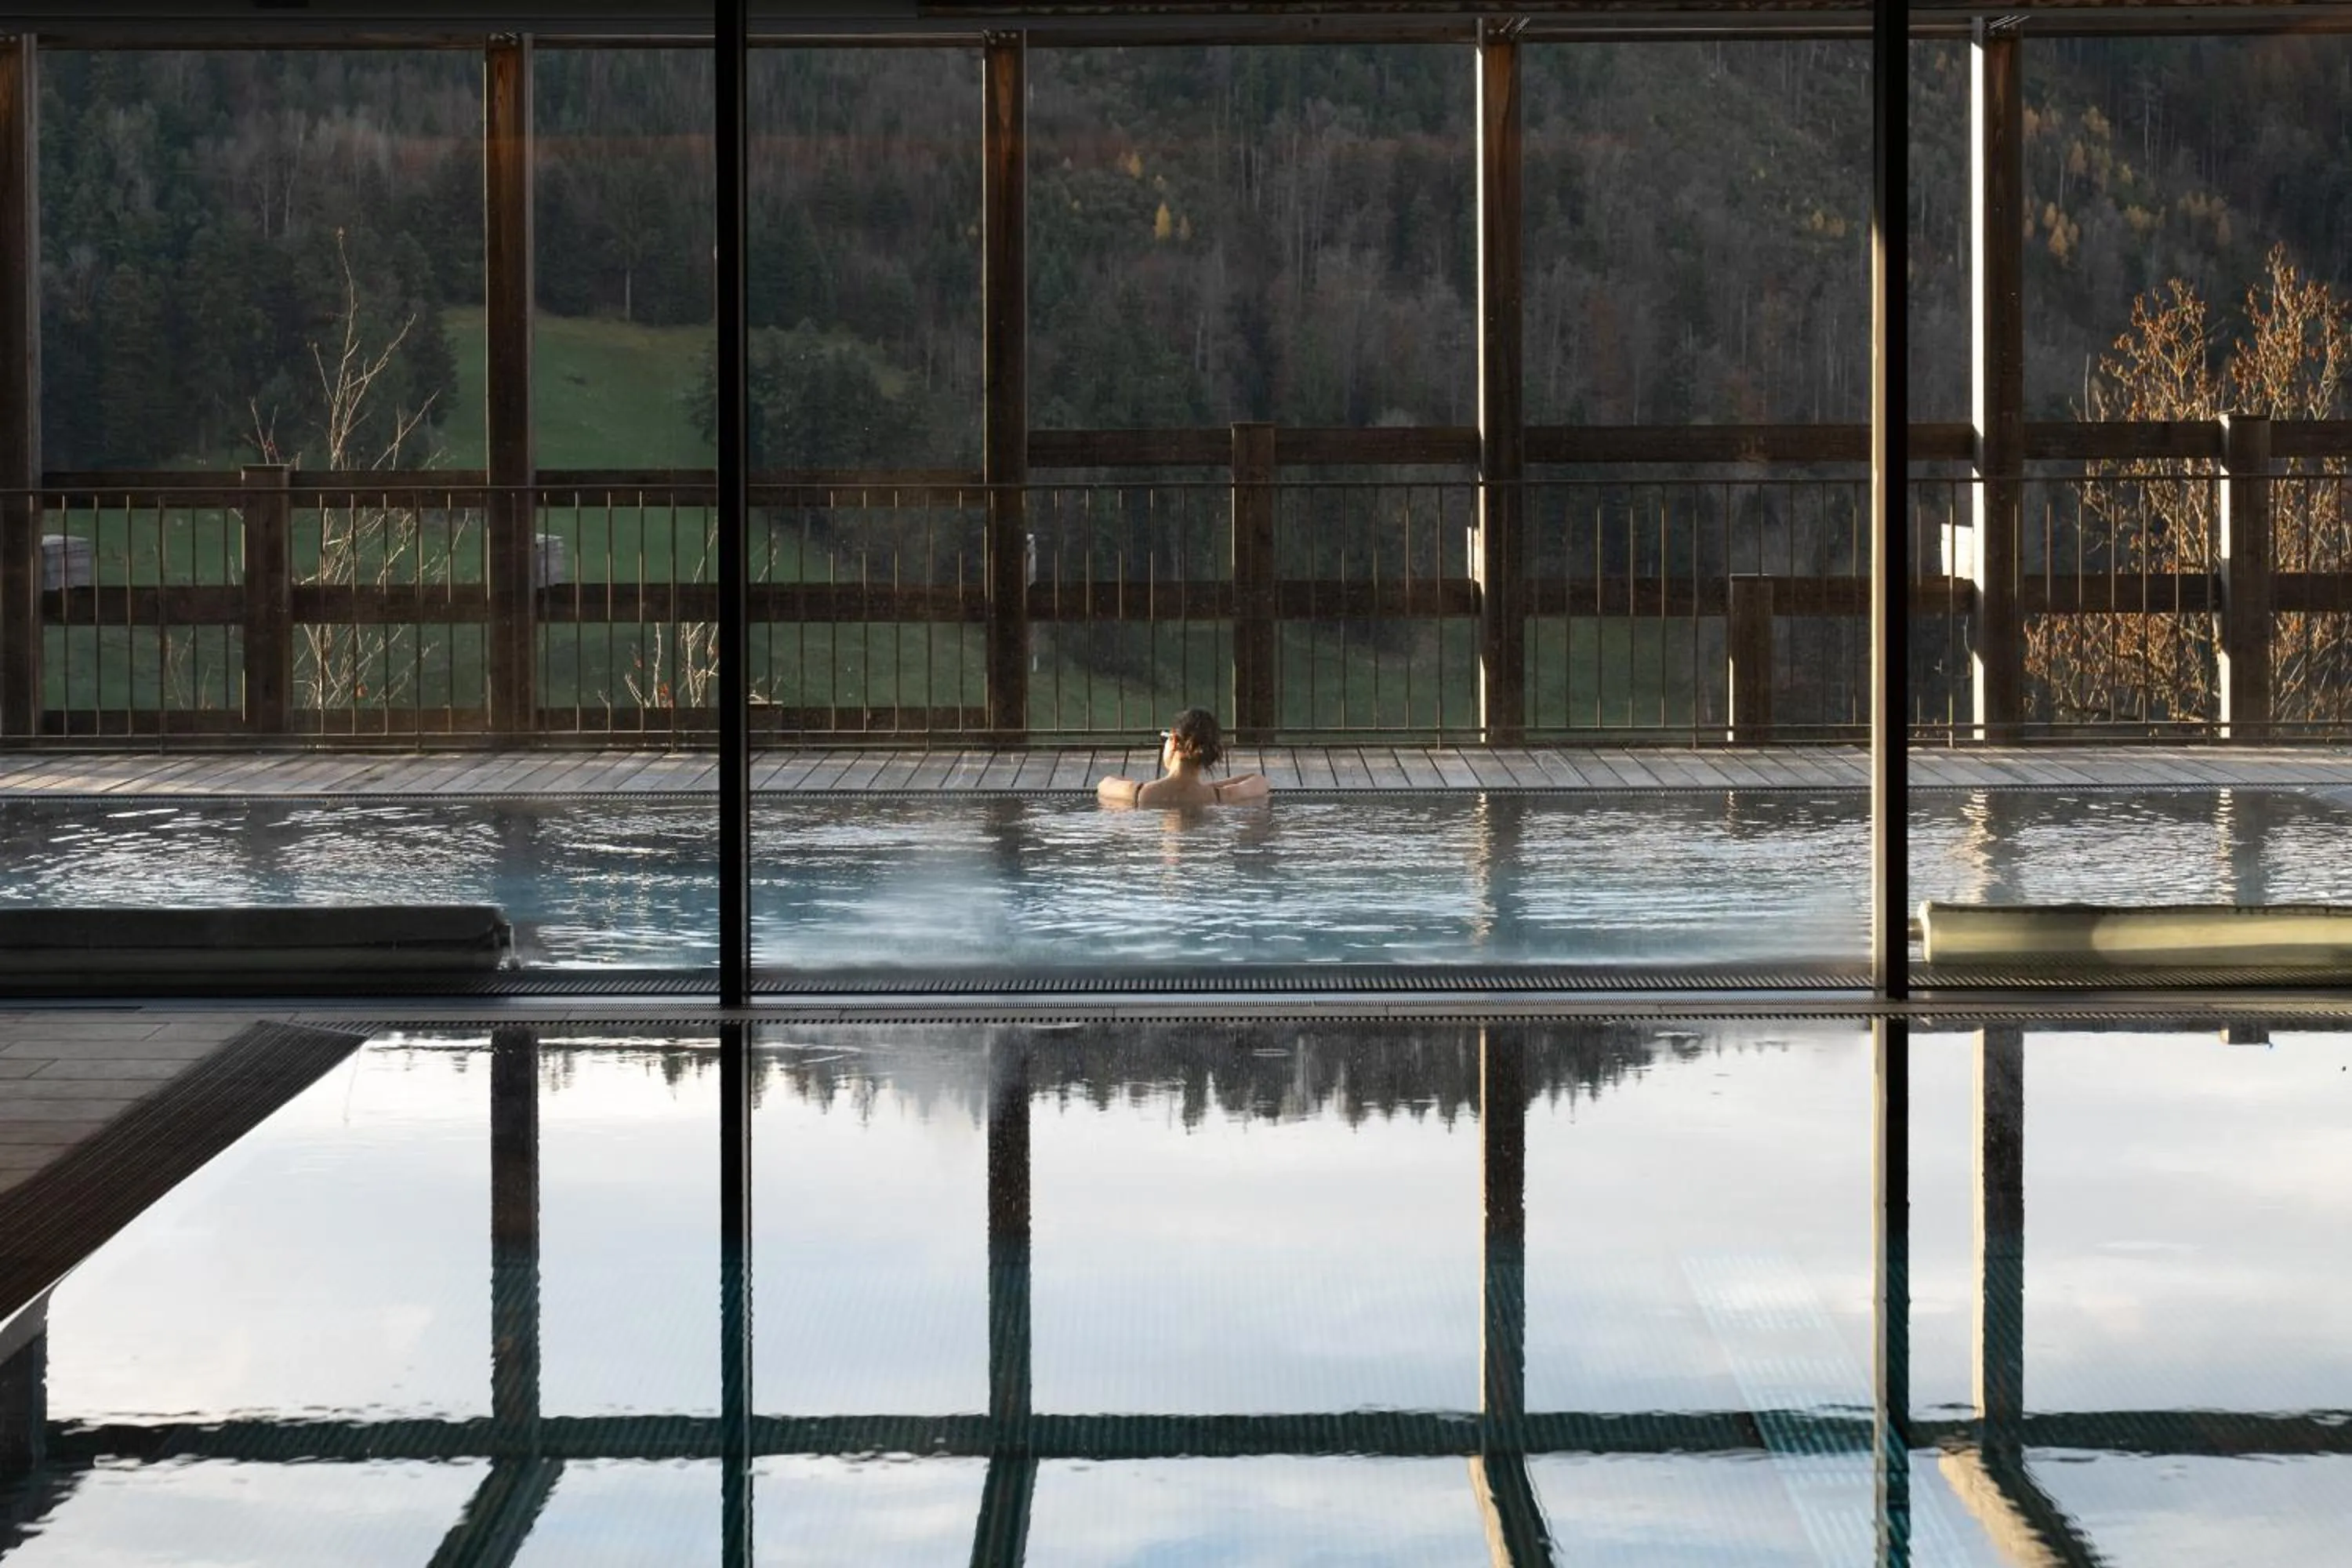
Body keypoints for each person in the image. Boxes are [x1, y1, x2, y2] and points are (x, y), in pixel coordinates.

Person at [1096, 708, 1269, 808]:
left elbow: (1105, 784)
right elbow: (1259, 781)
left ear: (1173, 740)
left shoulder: (1139, 794)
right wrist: (1205, 788)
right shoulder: (1219, 797)